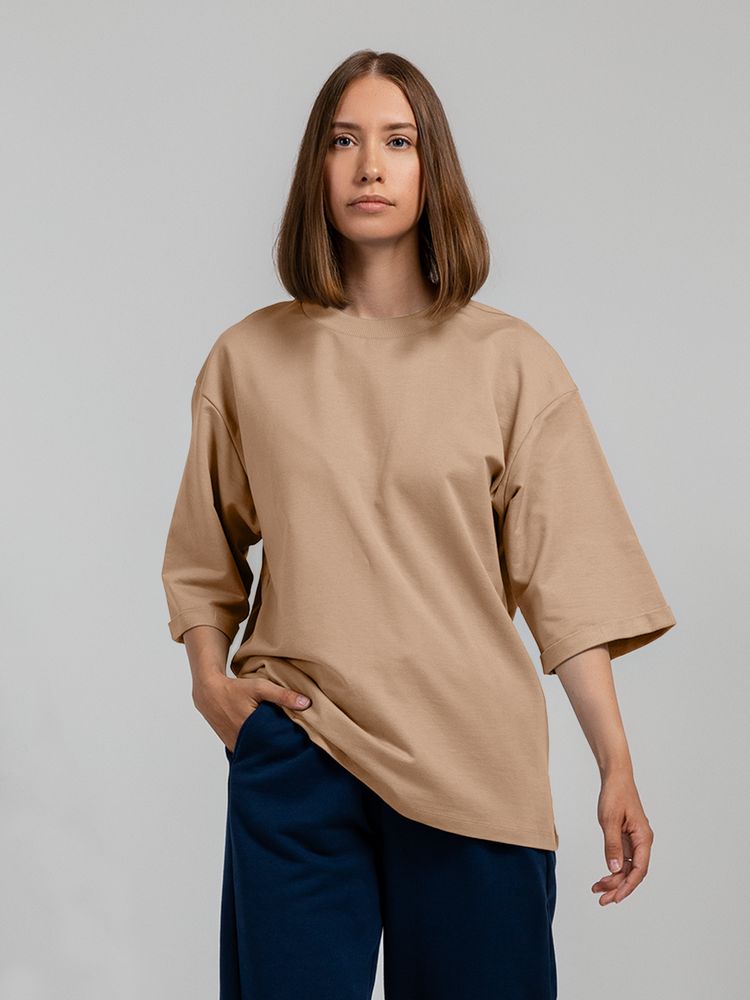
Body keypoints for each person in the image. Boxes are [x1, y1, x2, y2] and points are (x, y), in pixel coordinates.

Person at [160, 49, 676, 1000]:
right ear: (316, 167)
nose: (370, 166)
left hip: (473, 763)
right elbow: (202, 557)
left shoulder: (510, 362)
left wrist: (616, 765)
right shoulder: (249, 358)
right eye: (344, 141)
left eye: (398, 142)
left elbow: (570, 585)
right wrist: (210, 685)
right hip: (301, 754)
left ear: (432, 167)